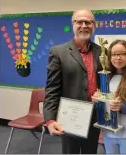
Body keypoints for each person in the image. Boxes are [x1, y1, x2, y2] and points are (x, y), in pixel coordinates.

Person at [43, 9, 103, 154]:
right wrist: (50, 119)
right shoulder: (58, 52)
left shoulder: (101, 51)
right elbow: (52, 88)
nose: (84, 25)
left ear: (94, 25)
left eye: (88, 22)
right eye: (79, 22)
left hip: (94, 116)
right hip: (71, 117)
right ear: (73, 24)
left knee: (91, 151)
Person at [92, 39, 126, 154]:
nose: (118, 57)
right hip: (109, 132)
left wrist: (122, 107)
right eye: (114, 54)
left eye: (123, 54)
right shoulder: (107, 77)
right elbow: (106, 103)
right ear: (109, 57)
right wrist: (98, 100)